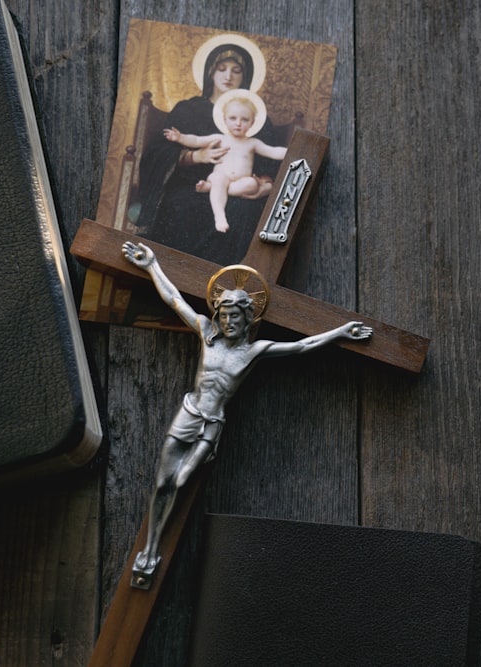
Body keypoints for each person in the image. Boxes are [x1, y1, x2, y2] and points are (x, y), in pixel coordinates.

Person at [121, 240, 372, 588]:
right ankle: (149, 551)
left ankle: (154, 548)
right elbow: (173, 298)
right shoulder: (206, 334)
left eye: (234, 317)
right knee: (162, 482)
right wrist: (151, 265)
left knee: (180, 482)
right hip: (189, 414)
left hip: (212, 426)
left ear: (247, 318)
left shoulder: (255, 351)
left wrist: (342, 332)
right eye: (223, 315)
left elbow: (302, 346)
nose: (227, 322)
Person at [137, 41, 283, 265]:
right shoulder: (188, 109)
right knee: (181, 206)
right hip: (190, 186)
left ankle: (222, 284)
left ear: (246, 77)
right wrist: (196, 156)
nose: (228, 76)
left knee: (246, 212)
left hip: (238, 193)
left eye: (237, 71)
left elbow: (271, 164)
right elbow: (157, 152)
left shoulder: (258, 121)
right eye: (221, 68)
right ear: (210, 73)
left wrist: (263, 188)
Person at [163, 93, 287, 233]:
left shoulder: (253, 143)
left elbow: (273, 151)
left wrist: (292, 152)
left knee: (252, 184)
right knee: (219, 179)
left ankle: (211, 189)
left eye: (245, 119)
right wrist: (180, 138)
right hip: (220, 177)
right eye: (233, 118)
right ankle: (219, 216)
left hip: (238, 183)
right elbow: (196, 140)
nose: (238, 123)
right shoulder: (220, 138)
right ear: (224, 119)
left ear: (252, 122)